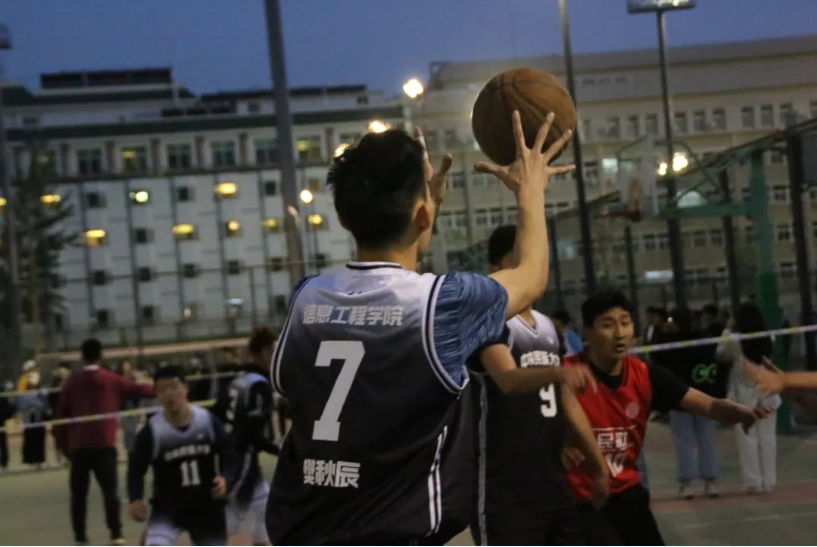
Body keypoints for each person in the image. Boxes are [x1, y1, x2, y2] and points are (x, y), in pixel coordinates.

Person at [266, 112, 575, 544]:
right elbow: (532, 276)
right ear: (424, 216)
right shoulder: (444, 304)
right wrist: (531, 189)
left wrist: (425, 212)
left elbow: (396, 294)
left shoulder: (307, 298)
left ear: (342, 217)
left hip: (306, 530)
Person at [564, 289, 769, 545]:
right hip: (581, 501)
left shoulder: (645, 375)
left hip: (628, 494)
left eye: (625, 323)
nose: (619, 333)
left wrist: (741, 412)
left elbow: (707, 404)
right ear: (586, 333)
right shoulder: (565, 375)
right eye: (607, 325)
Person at [468, 224, 608, 545]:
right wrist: (557, 373)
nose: (531, 269)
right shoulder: (488, 320)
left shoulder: (548, 327)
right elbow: (508, 380)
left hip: (553, 480)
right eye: (520, 260)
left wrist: (597, 465)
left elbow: (565, 401)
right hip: (503, 487)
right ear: (496, 269)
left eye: (536, 260)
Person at [55, 339, 155, 546]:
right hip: (105, 444)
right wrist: (163, 387)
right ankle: (116, 533)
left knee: (78, 495)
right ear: (101, 356)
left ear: (82, 357)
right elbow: (139, 390)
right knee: (110, 492)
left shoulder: (72, 382)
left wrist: (64, 446)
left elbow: (61, 415)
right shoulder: (111, 379)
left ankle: (80, 535)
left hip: (79, 446)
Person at [128, 365, 238, 546]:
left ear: (185, 388)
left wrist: (227, 479)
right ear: (157, 394)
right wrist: (135, 498)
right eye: (162, 390)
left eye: (174, 387)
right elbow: (136, 469)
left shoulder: (207, 420)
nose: (169, 394)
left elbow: (230, 455)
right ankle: (153, 534)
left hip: (206, 505)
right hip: (168, 507)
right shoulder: (152, 431)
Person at [218, 327, 279, 546]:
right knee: (232, 516)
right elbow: (254, 434)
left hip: (232, 451)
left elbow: (218, 411)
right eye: (273, 351)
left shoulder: (239, 379)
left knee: (265, 503)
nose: (276, 356)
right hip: (241, 456)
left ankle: (261, 542)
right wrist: (280, 451)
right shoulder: (259, 385)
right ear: (263, 352)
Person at [717, 302, 781, 494]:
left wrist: (727, 329)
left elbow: (720, 353)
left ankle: (753, 482)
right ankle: (769, 481)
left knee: (747, 438)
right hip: (767, 393)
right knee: (768, 438)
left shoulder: (734, 340)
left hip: (743, 395)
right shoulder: (770, 336)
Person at [663, 308, 725, 499]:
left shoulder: (671, 343)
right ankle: (710, 482)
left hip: (680, 398)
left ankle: (687, 483)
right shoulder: (705, 339)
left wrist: (664, 333)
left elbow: (660, 362)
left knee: (684, 441)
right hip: (704, 397)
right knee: (706, 439)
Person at [18, 363, 48, 469]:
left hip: (39, 418)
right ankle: (30, 460)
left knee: (40, 438)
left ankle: (39, 460)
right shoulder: (23, 387)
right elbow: (22, 403)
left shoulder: (41, 391)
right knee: (30, 438)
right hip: (29, 418)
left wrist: (39, 403)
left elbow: (45, 403)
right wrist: (36, 403)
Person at [0, 382, 17, 472]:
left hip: (1, 423)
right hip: (1, 423)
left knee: (3, 444)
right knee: (3, 445)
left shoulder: (3, 396)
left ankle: (4, 464)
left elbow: (8, 409)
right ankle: (4, 465)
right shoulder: (3, 397)